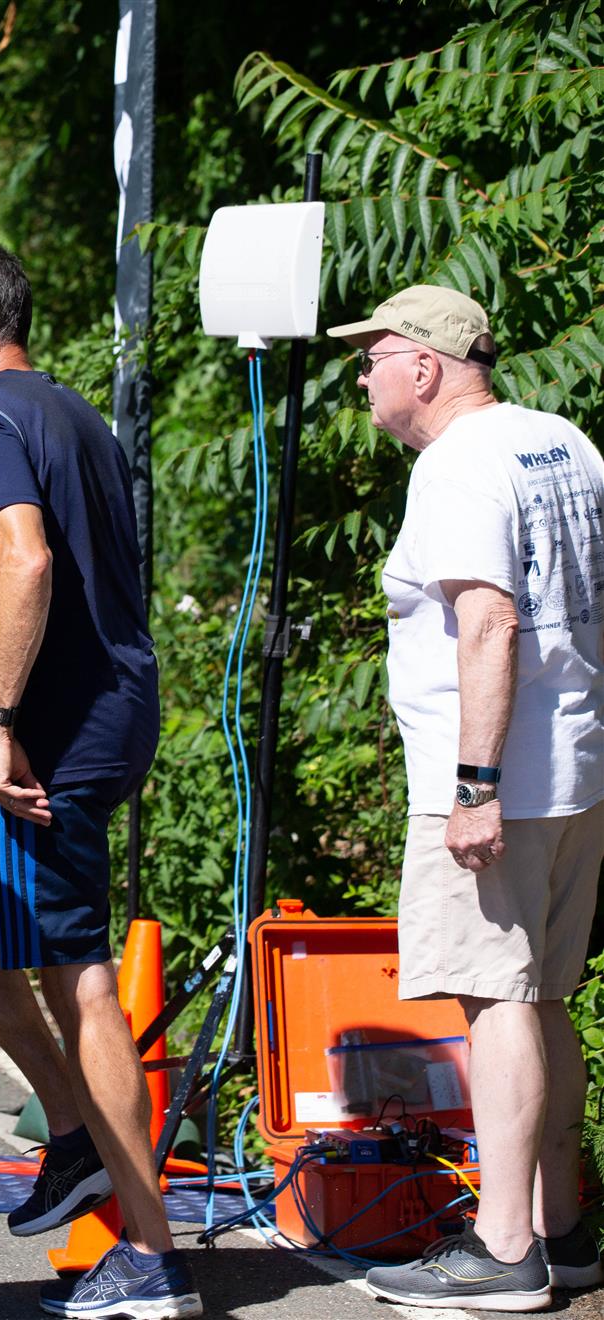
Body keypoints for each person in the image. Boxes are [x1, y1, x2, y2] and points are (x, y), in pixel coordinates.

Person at [0, 241, 198, 1319]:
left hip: (49, 735)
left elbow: (25, 558)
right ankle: (73, 1132)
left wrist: (0, 722)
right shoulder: (73, 413)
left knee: (82, 982)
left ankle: (150, 1255)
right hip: (110, 708)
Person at [325, 286, 604, 1312]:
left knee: (497, 1002)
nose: (363, 377)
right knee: (544, 996)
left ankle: (503, 1250)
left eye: (373, 358)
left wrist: (475, 787)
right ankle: (564, 1233)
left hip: (495, 781)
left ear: (425, 366)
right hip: (575, 768)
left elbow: (490, 624)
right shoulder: (562, 441)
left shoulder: (455, 466)